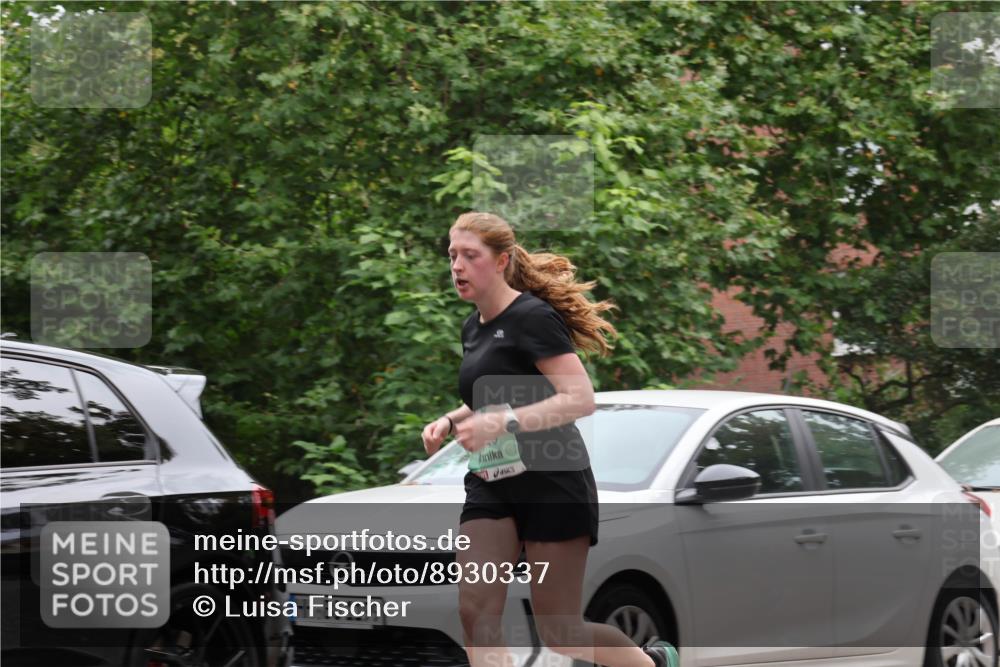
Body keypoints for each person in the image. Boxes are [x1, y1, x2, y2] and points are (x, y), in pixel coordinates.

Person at [421, 212, 679, 667]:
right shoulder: (472, 326)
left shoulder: (532, 318)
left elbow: (579, 398)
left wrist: (502, 423)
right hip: (493, 483)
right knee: (475, 611)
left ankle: (652, 663)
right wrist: (450, 418)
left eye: (469, 256)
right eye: (452, 256)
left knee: (561, 633)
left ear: (501, 261)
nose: (457, 266)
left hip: (553, 482)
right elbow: (498, 389)